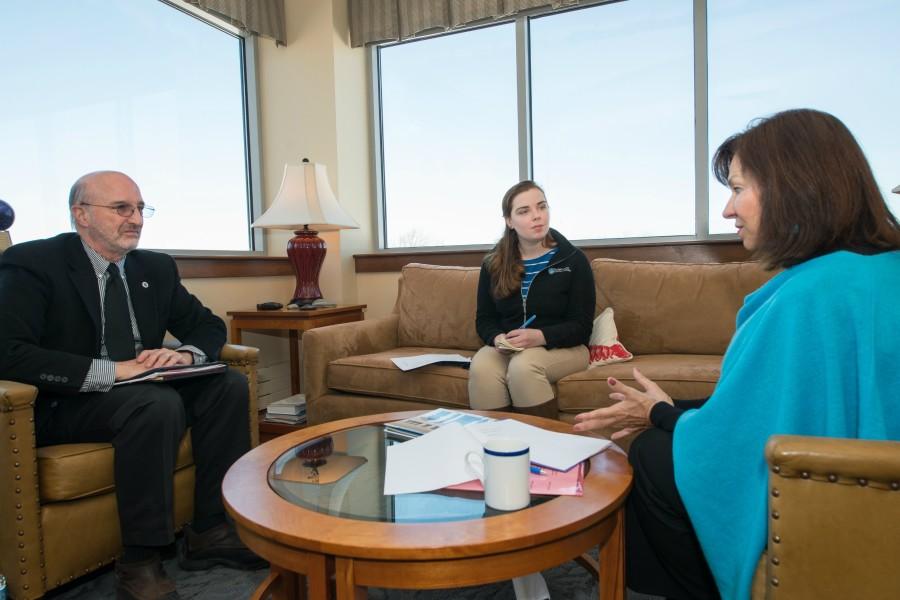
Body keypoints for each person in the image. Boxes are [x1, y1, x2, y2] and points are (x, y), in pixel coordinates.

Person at [573, 109, 900, 600]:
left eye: (738, 188)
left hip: (833, 503)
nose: (728, 211)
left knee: (649, 454)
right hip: (868, 488)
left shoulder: (808, 297)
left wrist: (662, 416)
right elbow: (788, 410)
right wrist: (668, 410)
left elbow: (735, 440)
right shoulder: (880, 271)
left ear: (795, 188)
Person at [0, 171, 265, 600]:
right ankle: (141, 559)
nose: (136, 218)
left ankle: (210, 529)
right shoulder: (34, 263)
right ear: (80, 214)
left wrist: (185, 354)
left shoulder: (154, 267)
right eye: (122, 208)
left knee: (227, 386)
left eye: (141, 208)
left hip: (141, 388)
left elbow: (207, 325)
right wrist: (114, 370)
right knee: (156, 404)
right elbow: (9, 352)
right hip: (64, 402)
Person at [468, 180, 595, 419]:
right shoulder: (492, 264)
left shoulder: (574, 260)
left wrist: (540, 336)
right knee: (482, 365)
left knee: (524, 367)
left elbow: (582, 326)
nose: (537, 216)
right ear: (509, 221)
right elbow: (484, 319)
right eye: (524, 211)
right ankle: (495, 448)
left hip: (566, 348)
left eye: (541, 207)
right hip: (510, 348)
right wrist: (497, 339)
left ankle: (544, 449)